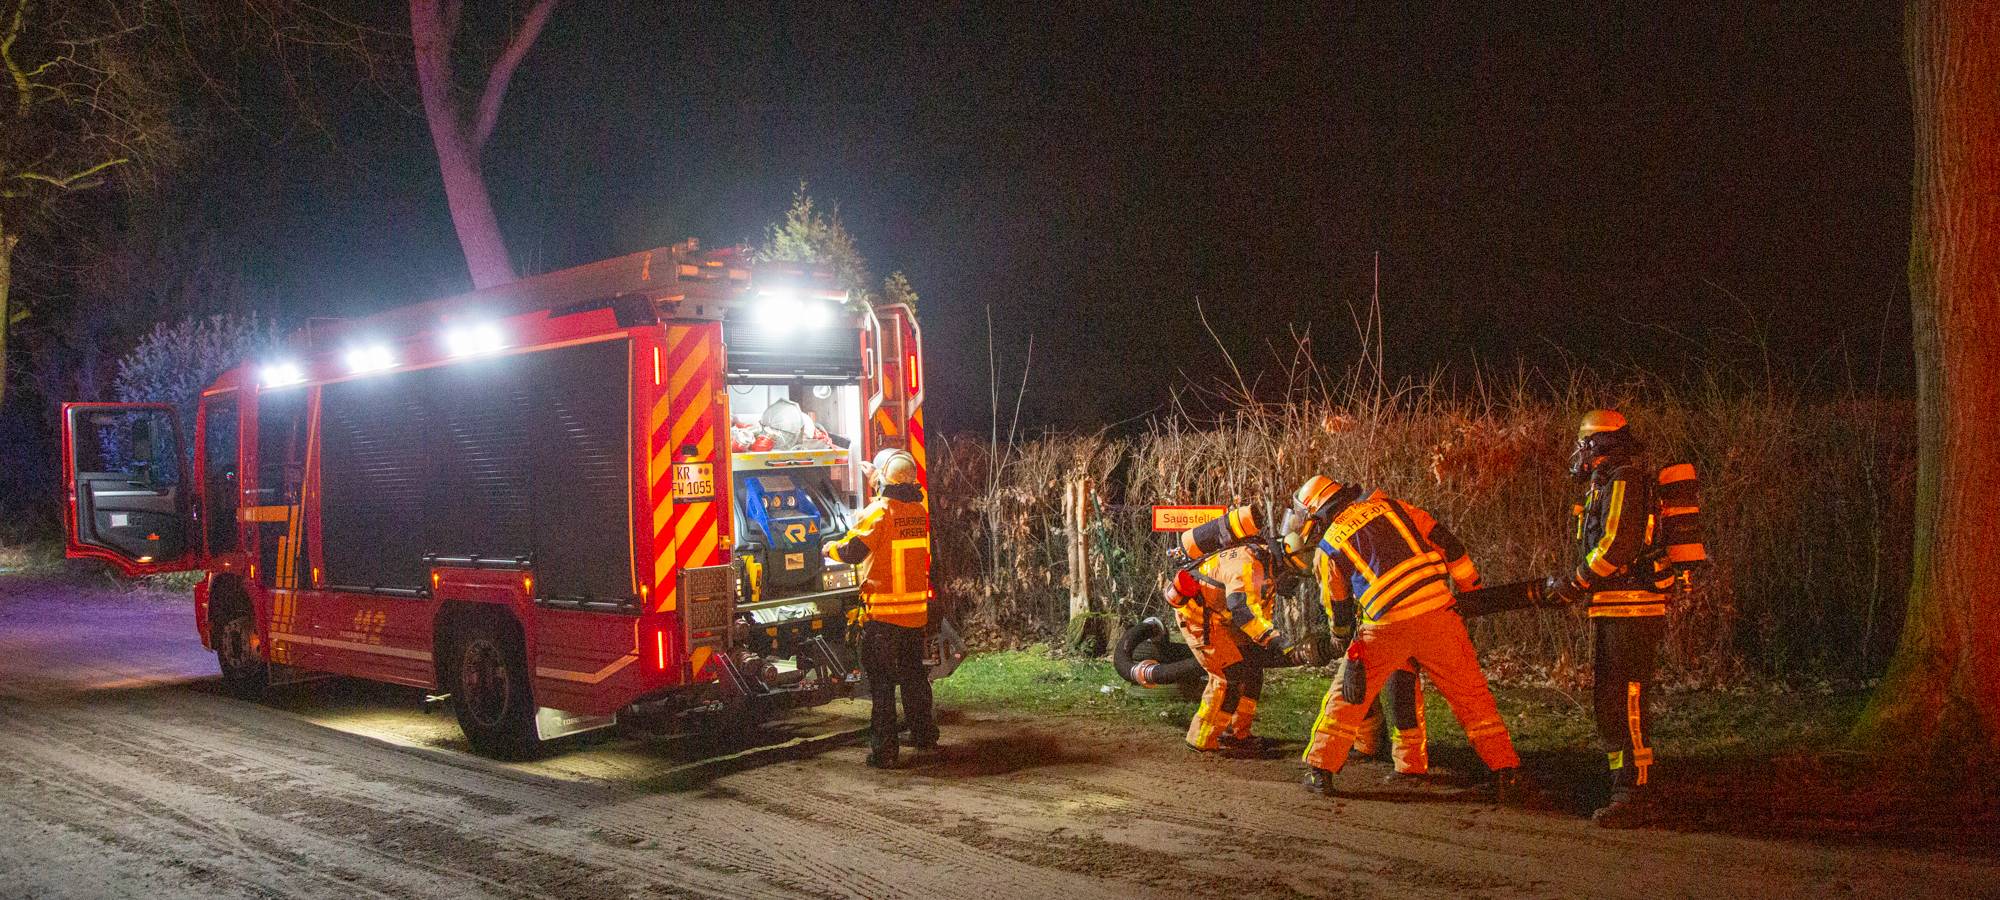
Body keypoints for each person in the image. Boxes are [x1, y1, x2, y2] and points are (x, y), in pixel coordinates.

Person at [1279, 476, 1536, 801]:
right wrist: (1472, 591)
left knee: (1349, 695)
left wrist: (1339, 640)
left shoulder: (1328, 546)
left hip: (1385, 625)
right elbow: (1450, 545)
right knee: (1472, 697)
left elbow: (1338, 606)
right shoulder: (1393, 506)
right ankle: (1506, 772)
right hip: (1438, 612)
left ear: (1316, 513)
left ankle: (1320, 770)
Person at [1544, 409, 1674, 826]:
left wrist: (1577, 581)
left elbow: (1617, 544)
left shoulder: (1624, 480)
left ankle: (1636, 793)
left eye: (1583, 445)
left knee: (1627, 699)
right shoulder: (1605, 484)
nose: (1579, 455)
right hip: (1614, 606)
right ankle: (1621, 784)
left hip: (1633, 608)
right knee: (1609, 701)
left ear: (1599, 445)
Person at [823, 448, 935, 769]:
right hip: (914, 615)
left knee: (882, 685)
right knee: (914, 676)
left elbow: (853, 551)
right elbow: (897, 491)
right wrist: (877, 476)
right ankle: (924, 734)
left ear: (885, 479)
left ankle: (885, 751)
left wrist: (829, 549)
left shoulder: (879, 512)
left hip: (884, 617)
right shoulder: (918, 511)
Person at [1164, 543, 1293, 756]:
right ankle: (1202, 738)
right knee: (1228, 676)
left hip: (1222, 615)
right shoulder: (1246, 566)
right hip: (1199, 616)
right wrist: (1274, 639)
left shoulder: (1265, 566)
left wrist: (1262, 641)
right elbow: (1242, 611)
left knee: (1252, 669)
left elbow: (1259, 610)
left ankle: (1236, 733)